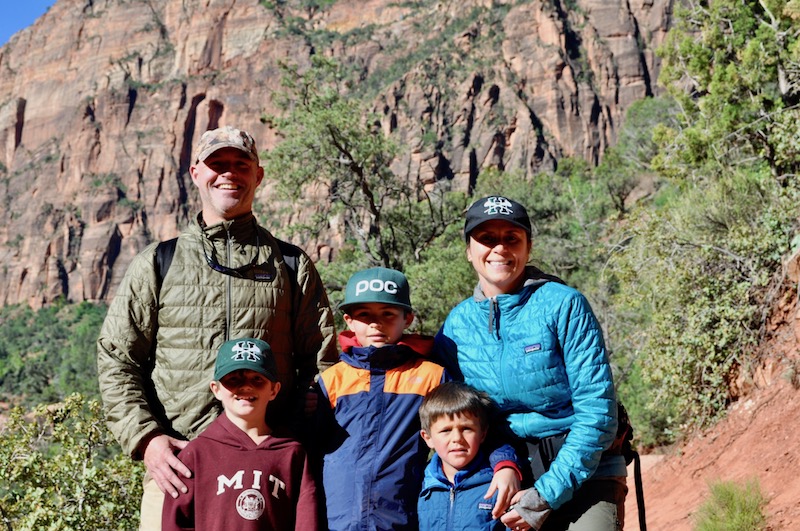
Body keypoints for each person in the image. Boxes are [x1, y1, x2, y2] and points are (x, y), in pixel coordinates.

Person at [96, 125, 338, 530]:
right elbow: (118, 360)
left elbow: (323, 365)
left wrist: (290, 440)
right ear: (195, 173)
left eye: (240, 164)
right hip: (178, 471)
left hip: (271, 478)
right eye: (217, 164)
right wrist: (148, 440)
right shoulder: (158, 262)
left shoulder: (291, 265)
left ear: (257, 175)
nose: (229, 173)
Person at [434, 196, 628, 531]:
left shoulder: (564, 305)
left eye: (512, 238)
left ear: (528, 247)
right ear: (469, 250)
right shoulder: (457, 326)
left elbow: (597, 413)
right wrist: (504, 463)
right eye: (487, 239)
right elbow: (462, 414)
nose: (500, 248)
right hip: (510, 470)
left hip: (586, 468)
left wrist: (545, 495)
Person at [313, 267, 519, 530]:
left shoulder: (431, 375)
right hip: (336, 520)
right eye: (364, 315)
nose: (376, 323)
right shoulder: (331, 380)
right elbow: (310, 451)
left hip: (403, 518)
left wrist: (505, 464)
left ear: (407, 318)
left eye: (388, 314)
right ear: (348, 320)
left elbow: (476, 427)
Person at [161, 337, 319, 530]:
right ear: (216, 389)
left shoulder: (291, 454)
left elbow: (307, 522)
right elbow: (175, 523)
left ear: (274, 390)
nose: (245, 386)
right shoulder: (196, 454)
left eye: (257, 378)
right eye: (234, 379)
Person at [417, 381, 510, 531]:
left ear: (482, 434)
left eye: (466, 428)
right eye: (446, 430)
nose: (457, 438)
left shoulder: (499, 484)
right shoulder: (419, 486)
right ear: (428, 438)